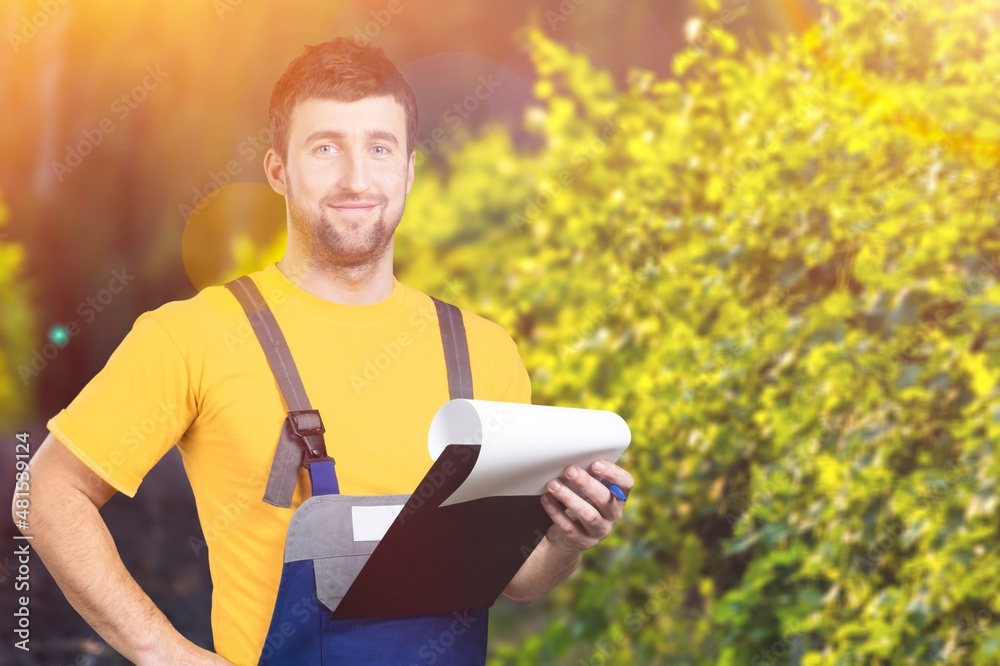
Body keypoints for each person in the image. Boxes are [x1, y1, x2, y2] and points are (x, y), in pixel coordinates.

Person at [13, 37, 634, 665]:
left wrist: (565, 542)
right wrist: (163, 653)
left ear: (409, 170)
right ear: (278, 169)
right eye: (326, 147)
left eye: (379, 147)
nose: (356, 178)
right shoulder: (195, 334)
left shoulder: (483, 352)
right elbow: (47, 491)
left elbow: (517, 578)